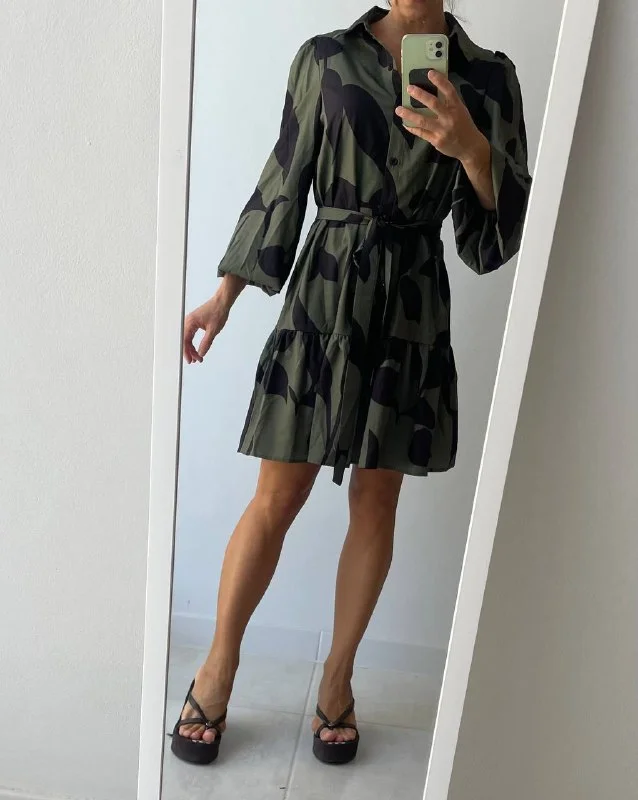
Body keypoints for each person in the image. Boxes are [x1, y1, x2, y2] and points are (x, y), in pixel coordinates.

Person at [171, 1, 531, 767]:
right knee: (277, 495)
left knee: (376, 498)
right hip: (324, 299)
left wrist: (472, 150)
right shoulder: (325, 58)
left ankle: (337, 680)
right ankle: (218, 667)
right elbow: (284, 177)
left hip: (410, 307)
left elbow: (490, 241)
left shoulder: (490, 79)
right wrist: (225, 296)